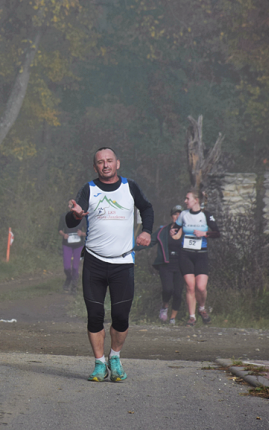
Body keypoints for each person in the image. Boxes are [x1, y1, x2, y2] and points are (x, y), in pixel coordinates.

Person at [67, 147, 153, 382]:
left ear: (117, 164)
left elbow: (147, 208)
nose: (105, 165)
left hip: (123, 263)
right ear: (95, 167)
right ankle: (98, 364)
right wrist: (75, 214)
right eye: (100, 162)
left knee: (120, 316)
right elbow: (72, 219)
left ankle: (114, 357)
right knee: (94, 315)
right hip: (94, 262)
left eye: (109, 161)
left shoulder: (130, 187)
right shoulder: (89, 189)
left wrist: (146, 231)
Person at [176, 189, 220, 326]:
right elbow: (175, 228)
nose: (185, 201)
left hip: (201, 254)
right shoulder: (183, 214)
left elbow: (217, 233)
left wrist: (204, 233)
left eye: (187, 198)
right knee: (190, 286)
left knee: (200, 287)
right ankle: (192, 317)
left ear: (196, 200)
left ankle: (201, 308)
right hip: (186, 254)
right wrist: (173, 230)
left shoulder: (205, 214)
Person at [146, 205, 184, 325]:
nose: (177, 216)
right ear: (171, 216)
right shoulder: (163, 230)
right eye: (175, 214)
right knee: (168, 289)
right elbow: (150, 241)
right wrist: (133, 247)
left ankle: (172, 318)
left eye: (179, 214)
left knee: (178, 292)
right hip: (166, 264)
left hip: (181, 265)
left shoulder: (187, 231)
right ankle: (164, 306)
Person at [58, 211, 85, 293]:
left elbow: (89, 231)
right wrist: (64, 235)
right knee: (67, 267)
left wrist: (82, 233)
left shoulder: (82, 218)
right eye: (71, 205)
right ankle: (69, 278)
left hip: (79, 245)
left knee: (75, 267)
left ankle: (74, 287)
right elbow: (59, 229)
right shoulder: (64, 216)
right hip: (67, 244)